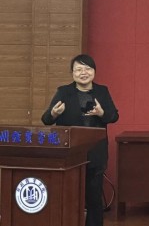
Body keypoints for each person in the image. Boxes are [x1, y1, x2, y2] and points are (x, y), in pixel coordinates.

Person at [41, 54, 119, 226]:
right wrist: (54, 113)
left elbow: (114, 116)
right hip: (70, 154)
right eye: (78, 69)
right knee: (69, 197)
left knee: (94, 198)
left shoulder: (102, 91)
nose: (83, 73)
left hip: (95, 153)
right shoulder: (64, 92)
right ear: (72, 73)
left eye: (87, 69)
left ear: (94, 71)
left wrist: (101, 113)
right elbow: (46, 120)